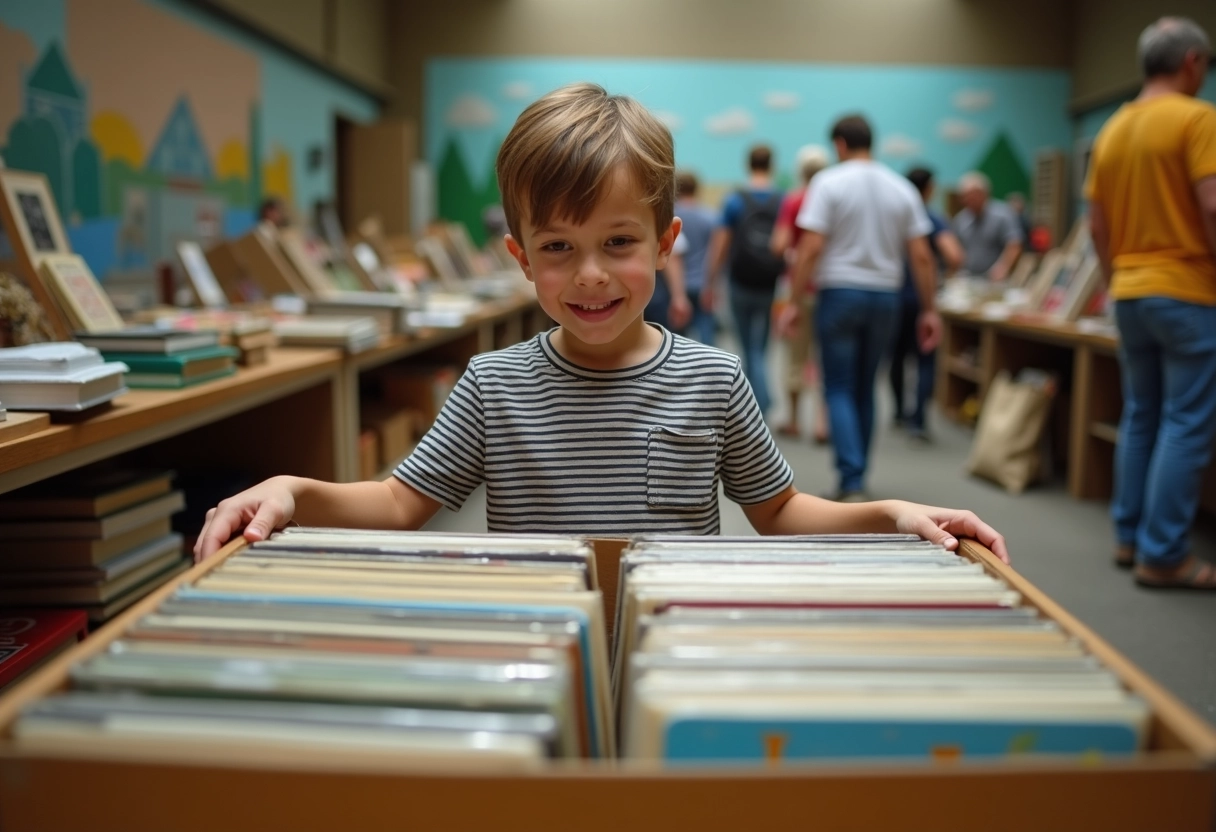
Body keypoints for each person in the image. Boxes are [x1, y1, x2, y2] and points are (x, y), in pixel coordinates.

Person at [194, 83, 1006, 564]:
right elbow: (403, 502)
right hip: (535, 651)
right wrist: (293, 490)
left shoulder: (713, 377)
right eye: (558, 247)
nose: (589, 274)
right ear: (521, 258)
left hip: (676, 650)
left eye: (619, 243)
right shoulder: (493, 383)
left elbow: (781, 511)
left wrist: (890, 512)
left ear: (665, 246)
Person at [1087, 16, 1216, 589]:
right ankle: (1163, 554)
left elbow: (1096, 225)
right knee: (1186, 422)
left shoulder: (1112, 130)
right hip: (1187, 291)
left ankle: (1127, 536)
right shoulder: (1198, 119)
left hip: (1131, 292)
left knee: (1140, 415)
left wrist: (1118, 278)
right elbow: (1213, 208)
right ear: (1192, 62)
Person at [791, 115, 942, 502]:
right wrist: (929, 310)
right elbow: (922, 257)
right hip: (886, 298)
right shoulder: (902, 188)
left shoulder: (829, 182)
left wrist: (793, 301)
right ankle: (859, 473)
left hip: (840, 293)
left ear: (840, 144)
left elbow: (810, 248)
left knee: (838, 385)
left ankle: (850, 478)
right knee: (866, 385)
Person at [704, 145, 786, 417]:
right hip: (768, 282)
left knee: (745, 345)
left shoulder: (734, 200)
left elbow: (721, 243)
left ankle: (757, 403)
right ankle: (763, 400)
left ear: (747, 164)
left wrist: (711, 281)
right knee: (760, 345)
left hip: (739, 280)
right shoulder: (780, 200)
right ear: (771, 165)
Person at [890, 167, 964, 441]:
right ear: (929, 188)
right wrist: (944, 279)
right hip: (923, 299)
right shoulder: (931, 218)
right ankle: (918, 419)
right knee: (924, 359)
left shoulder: (894, 217)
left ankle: (898, 411)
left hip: (893, 297)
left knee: (896, 357)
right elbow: (954, 255)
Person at [771, 145, 830, 443]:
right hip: (831, 288)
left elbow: (779, 244)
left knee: (794, 352)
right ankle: (822, 423)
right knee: (827, 356)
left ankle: (794, 419)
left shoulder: (794, 200)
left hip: (796, 286)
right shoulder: (834, 199)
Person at [672, 171, 719, 344]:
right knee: (707, 337)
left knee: (676, 339)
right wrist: (713, 284)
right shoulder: (711, 217)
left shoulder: (671, 216)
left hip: (677, 284)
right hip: (703, 282)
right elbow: (715, 253)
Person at [952, 172, 1023, 280]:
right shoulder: (960, 219)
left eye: (972, 196)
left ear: (984, 194)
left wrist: (1003, 268)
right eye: (965, 197)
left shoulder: (1003, 214)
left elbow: (1014, 244)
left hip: (997, 280)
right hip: (968, 278)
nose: (968, 201)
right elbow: (956, 248)